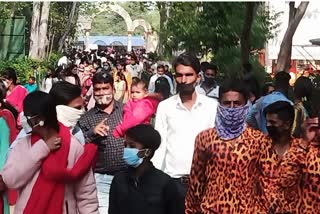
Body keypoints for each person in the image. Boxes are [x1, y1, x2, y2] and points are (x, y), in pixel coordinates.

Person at [0, 91, 98, 214]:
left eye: (28, 117)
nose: (24, 121)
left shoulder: (74, 147)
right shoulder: (24, 145)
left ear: (40, 119)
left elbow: (87, 196)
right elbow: (10, 179)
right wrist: (42, 149)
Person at [185, 78, 271, 213]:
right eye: (226, 103)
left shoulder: (259, 140)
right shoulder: (205, 138)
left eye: (237, 103)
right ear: (219, 104)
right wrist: (190, 210)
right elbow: (196, 181)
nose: (231, 108)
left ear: (245, 104)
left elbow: (266, 184)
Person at [152, 53, 218, 210]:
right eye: (180, 75)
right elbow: (160, 145)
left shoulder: (212, 107)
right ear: (175, 77)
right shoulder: (165, 107)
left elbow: (217, 146)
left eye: (189, 75)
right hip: (173, 183)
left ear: (198, 77)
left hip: (205, 184)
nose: (184, 80)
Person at [78, 72, 127, 213]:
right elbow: (79, 146)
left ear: (113, 89)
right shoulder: (86, 118)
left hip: (128, 176)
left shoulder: (126, 110)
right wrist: (92, 133)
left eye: (105, 88)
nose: (101, 93)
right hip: (102, 179)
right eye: (98, 89)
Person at [109, 124, 182, 214]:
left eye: (132, 146)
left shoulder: (164, 183)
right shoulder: (119, 180)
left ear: (147, 152)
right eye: (125, 145)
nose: (126, 150)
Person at [257, 101, 300, 213]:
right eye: (267, 122)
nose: (268, 125)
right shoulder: (259, 146)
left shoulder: (301, 150)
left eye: (273, 122)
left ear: (287, 124)